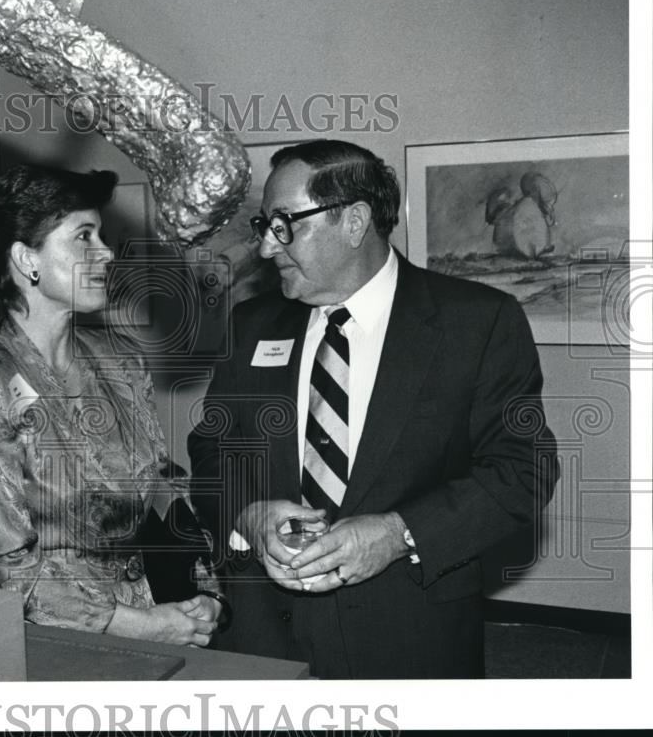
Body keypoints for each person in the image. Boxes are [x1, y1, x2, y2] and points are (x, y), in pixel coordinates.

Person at [188, 139, 558, 678]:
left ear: (355, 221)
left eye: (285, 224)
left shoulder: (477, 323)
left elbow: (522, 471)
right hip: (265, 634)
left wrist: (397, 532)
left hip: (409, 633)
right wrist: (250, 512)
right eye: (264, 225)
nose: (267, 248)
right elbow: (212, 448)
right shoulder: (252, 327)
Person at [0, 165, 225, 646]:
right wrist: (138, 627)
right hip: (59, 643)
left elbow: (165, 485)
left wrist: (204, 588)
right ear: (27, 259)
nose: (106, 252)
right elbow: (10, 567)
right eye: (83, 237)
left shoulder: (123, 363)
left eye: (102, 234)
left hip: (158, 612)